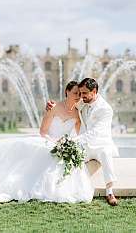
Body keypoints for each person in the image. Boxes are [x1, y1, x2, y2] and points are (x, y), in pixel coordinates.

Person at [0, 81, 94, 208]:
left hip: (62, 145)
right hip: (47, 140)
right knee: (40, 153)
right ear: (67, 92)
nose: (78, 96)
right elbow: (43, 131)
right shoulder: (54, 107)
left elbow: (80, 133)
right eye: (75, 93)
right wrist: (55, 142)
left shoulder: (77, 112)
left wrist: (69, 145)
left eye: (80, 94)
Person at [46, 78, 119, 206]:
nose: (81, 96)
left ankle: (109, 192)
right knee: (68, 159)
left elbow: (94, 133)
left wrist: (72, 141)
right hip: (85, 145)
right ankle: (62, 186)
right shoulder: (83, 102)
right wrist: (53, 106)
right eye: (80, 93)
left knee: (106, 154)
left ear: (94, 91)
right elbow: (68, 105)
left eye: (84, 93)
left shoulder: (105, 109)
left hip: (101, 144)